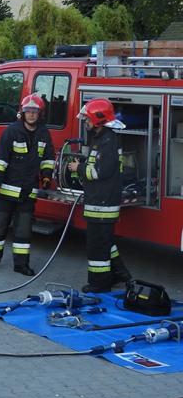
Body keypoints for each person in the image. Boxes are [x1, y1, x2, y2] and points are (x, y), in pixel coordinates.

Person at [0, 94, 56, 277]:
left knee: (23, 231)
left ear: (40, 113)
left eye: (35, 111)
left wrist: (46, 176)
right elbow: (0, 160)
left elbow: (47, 158)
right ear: (22, 112)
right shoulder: (11, 132)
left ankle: (21, 265)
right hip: (6, 190)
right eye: (28, 111)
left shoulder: (44, 133)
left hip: (28, 191)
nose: (31, 114)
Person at [68, 98, 132, 293]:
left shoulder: (108, 141)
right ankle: (120, 273)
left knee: (97, 245)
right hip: (99, 199)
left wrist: (79, 168)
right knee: (105, 242)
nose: (85, 122)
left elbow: (99, 172)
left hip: (102, 202)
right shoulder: (101, 139)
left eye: (88, 119)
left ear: (98, 119)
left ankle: (99, 283)